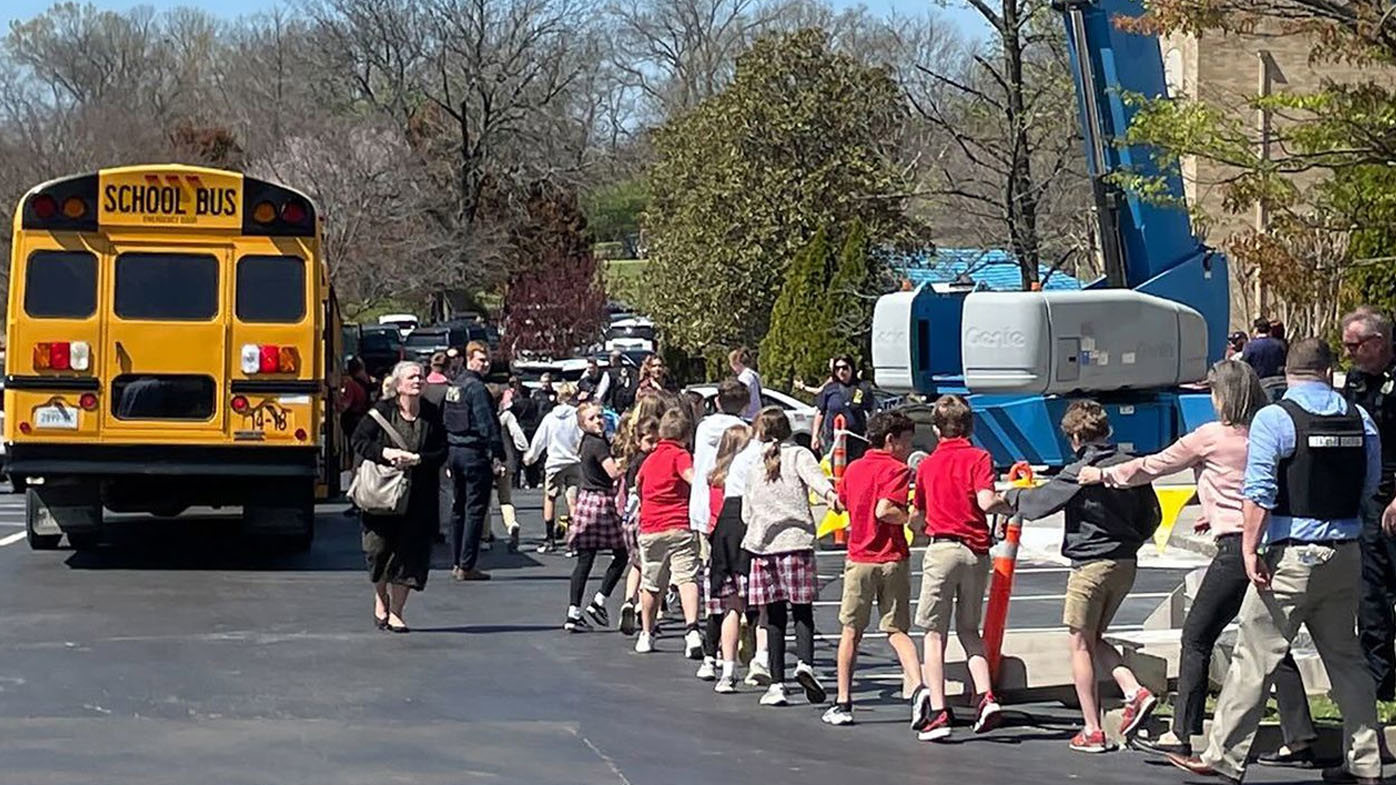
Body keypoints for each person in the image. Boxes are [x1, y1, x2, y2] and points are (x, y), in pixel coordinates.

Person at [1167, 338, 1383, 785]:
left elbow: (1260, 492)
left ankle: (1223, 756)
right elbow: (1371, 482)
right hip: (1345, 552)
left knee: (1254, 656)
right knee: (1347, 661)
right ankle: (1365, 762)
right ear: (1328, 372)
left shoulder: (1276, 418)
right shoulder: (1359, 417)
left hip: (1292, 557)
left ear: (1287, 372)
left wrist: (1249, 549)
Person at [1078, 361, 1317, 761]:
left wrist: (1102, 476)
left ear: (1223, 396)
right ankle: (1300, 733)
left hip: (1234, 550)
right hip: (1269, 544)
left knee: (1196, 637)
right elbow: (1250, 486)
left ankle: (1182, 732)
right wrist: (1213, 508)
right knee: (1269, 640)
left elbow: (1153, 465)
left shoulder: (1211, 436)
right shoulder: (1267, 434)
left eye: (1213, 392)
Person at [1001, 400, 1160, 753]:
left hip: (1090, 565)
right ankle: (1134, 692)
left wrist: (1009, 495)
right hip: (1125, 562)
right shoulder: (1127, 465)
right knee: (1094, 637)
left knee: (1079, 644)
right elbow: (1152, 516)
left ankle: (1093, 729)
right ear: (1108, 430)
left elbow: (1038, 503)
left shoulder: (1079, 471)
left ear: (1074, 437)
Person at [911, 395, 1009, 741]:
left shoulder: (928, 466)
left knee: (934, 634)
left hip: (943, 548)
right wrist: (1009, 506)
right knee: (969, 629)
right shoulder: (979, 457)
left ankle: (939, 711)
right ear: (969, 427)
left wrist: (916, 525)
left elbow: (918, 516)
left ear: (937, 430)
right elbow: (986, 501)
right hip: (975, 551)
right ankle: (986, 697)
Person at [825, 410, 930, 731]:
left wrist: (836, 500)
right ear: (890, 440)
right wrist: (912, 520)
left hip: (860, 559)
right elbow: (885, 510)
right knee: (896, 631)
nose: (909, 448)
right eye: (906, 441)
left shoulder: (854, 468)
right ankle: (919, 687)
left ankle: (843, 701)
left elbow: (842, 502)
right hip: (892, 558)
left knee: (850, 631)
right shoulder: (897, 470)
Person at [741, 406, 839, 707]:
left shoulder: (755, 464)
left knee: (774, 617)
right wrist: (832, 497)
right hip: (796, 542)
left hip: (763, 547)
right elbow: (818, 481)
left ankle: (777, 685)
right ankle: (805, 664)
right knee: (802, 611)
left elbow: (746, 512)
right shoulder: (799, 455)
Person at [352, 361, 446, 633]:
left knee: (410, 554)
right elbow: (360, 441)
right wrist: (386, 454)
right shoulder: (381, 411)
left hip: (419, 496)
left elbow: (442, 450)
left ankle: (396, 612)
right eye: (412, 377)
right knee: (378, 550)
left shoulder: (431, 413)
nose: (418, 380)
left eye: (421, 377)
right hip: (384, 495)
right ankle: (381, 598)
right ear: (398, 384)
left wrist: (418, 459)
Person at [1341, 307, 1396, 702]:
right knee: (1371, 595)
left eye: (1354, 346)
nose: (1349, 354)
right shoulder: (1357, 381)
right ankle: (1380, 683)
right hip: (1368, 501)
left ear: (1378, 343)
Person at [689, 380, 749, 679]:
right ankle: (738, 638)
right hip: (736, 515)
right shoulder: (745, 432)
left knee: (713, 582)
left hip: (704, 511)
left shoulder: (703, 428)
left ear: (717, 402)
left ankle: (712, 649)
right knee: (740, 586)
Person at [634, 408, 702, 657]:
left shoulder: (650, 459)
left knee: (651, 583)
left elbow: (638, 484)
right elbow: (691, 477)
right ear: (686, 435)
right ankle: (692, 630)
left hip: (651, 527)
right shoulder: (680, 455)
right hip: (679, 524)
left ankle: (647, 633)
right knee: (686, 578)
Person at [564, 402, 629, 632]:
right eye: (592, 418)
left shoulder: (587, 442)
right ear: (582, 424)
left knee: (585, 559)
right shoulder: (598, 444)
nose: (599, 421)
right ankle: (599, 600)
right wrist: (630, 460)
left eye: (600, 416)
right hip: (601, 501)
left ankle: (573, 613)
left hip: (586, 499)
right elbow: (613, 472)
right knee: (622, 554)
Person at [443, 341, 505, 582]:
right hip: (473, 452)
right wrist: (498, 453)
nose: (486, 364)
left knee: (458, 508)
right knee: (475, 509)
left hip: (454, 451)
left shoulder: (455, 385)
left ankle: (456, 561)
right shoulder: (477, 388)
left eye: (488, 359)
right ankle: (466, 565)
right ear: (469, 359)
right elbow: (487, 423)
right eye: (481, 359)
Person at [703, 423, 755, 694]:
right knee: (754, 606)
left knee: (723, 607)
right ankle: (757, 659)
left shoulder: (715, 477)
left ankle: (717, 662)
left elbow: (712, 514)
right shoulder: (742, 476)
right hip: (741, 537)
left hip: (719, 539)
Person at [617, 411, 663, 636]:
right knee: (651, 567)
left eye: (657, 441)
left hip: (629, 520)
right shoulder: (649, 462)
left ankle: (628, 600)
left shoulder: (632, 462)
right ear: (638, 440)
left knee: (635, 564)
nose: (654, 446)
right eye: (650, 441)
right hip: (644, 519)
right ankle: (643, 609)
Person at [524, 382, 583, 554]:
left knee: (550, 497)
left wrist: (531, 457)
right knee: (573, 500)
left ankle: (549, 540)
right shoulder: (577, 417)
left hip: (555, 462)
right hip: (574, 461)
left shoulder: (550, 418)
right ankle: (574, 541)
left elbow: (540, 440)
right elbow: (582, 437)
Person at [812, 355, 875, 461]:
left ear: (851, 368)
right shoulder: (829, 389)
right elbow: (820, 412)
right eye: (837, 368)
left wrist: (872, 435)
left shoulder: (862, 388)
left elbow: (872, 411)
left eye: (845, 368)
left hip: (856, 440)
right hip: (832, 441)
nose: (841, 371)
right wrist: (815, 436)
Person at [494, 385, 528, 552]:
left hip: (488, 461)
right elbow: (518, 436)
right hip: (506, 461)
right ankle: (511, 524)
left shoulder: (482, 414)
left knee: (484, 501)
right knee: (505, 498)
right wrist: (524, 449)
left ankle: (484, 536)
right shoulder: (507, 416)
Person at [729, 347, 763, 421]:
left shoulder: (744, 377)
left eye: (733, 365)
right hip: (756, 414)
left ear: (737, 363)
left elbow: (741, 397)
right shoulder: (754, 375)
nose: (734, 370)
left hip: (748, 417)